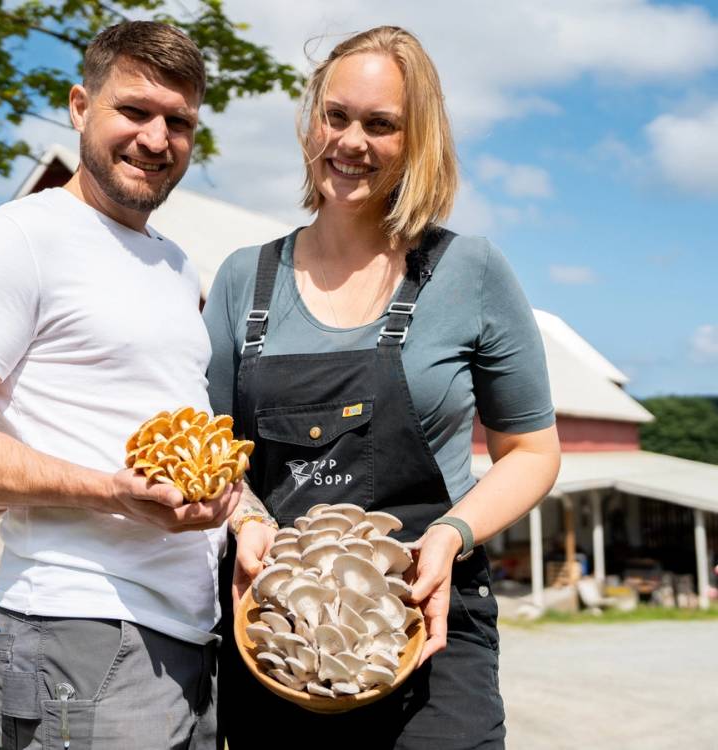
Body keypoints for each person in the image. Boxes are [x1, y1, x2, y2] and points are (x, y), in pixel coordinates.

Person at [0, 21, 243, 750]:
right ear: (80, 107)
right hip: (81, 629)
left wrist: (245, 516)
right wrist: (110, 492)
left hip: (190, 637)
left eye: (178, 122)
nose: (156, 138)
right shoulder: (17, 237)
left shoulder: (175, 265)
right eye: (134, 110)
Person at [204, 26, 561, 749]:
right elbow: (212, 455)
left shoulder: (469, 271)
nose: (351, 142)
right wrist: (244, 519)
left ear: (417, 139)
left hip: (427, 626)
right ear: (310, 123)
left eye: (380, 124)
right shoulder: (245, 279)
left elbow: (531, 451)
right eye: (336, 116)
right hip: (279, 634)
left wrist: (452, 534)